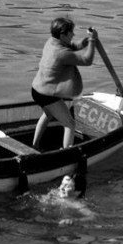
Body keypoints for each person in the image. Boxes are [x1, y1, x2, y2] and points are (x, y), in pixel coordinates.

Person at [30, 17, 96, 149]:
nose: (73, 34)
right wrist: (93, 40)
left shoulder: (51, 42)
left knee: (48, 114)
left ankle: (35, 145)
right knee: (70, 124)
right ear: (62, 35)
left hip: (36, 90)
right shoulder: (61, 54)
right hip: (46, 94)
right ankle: (66, 154)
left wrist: (85, 42)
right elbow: (87, 60)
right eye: (71, 32)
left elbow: (71, 46)